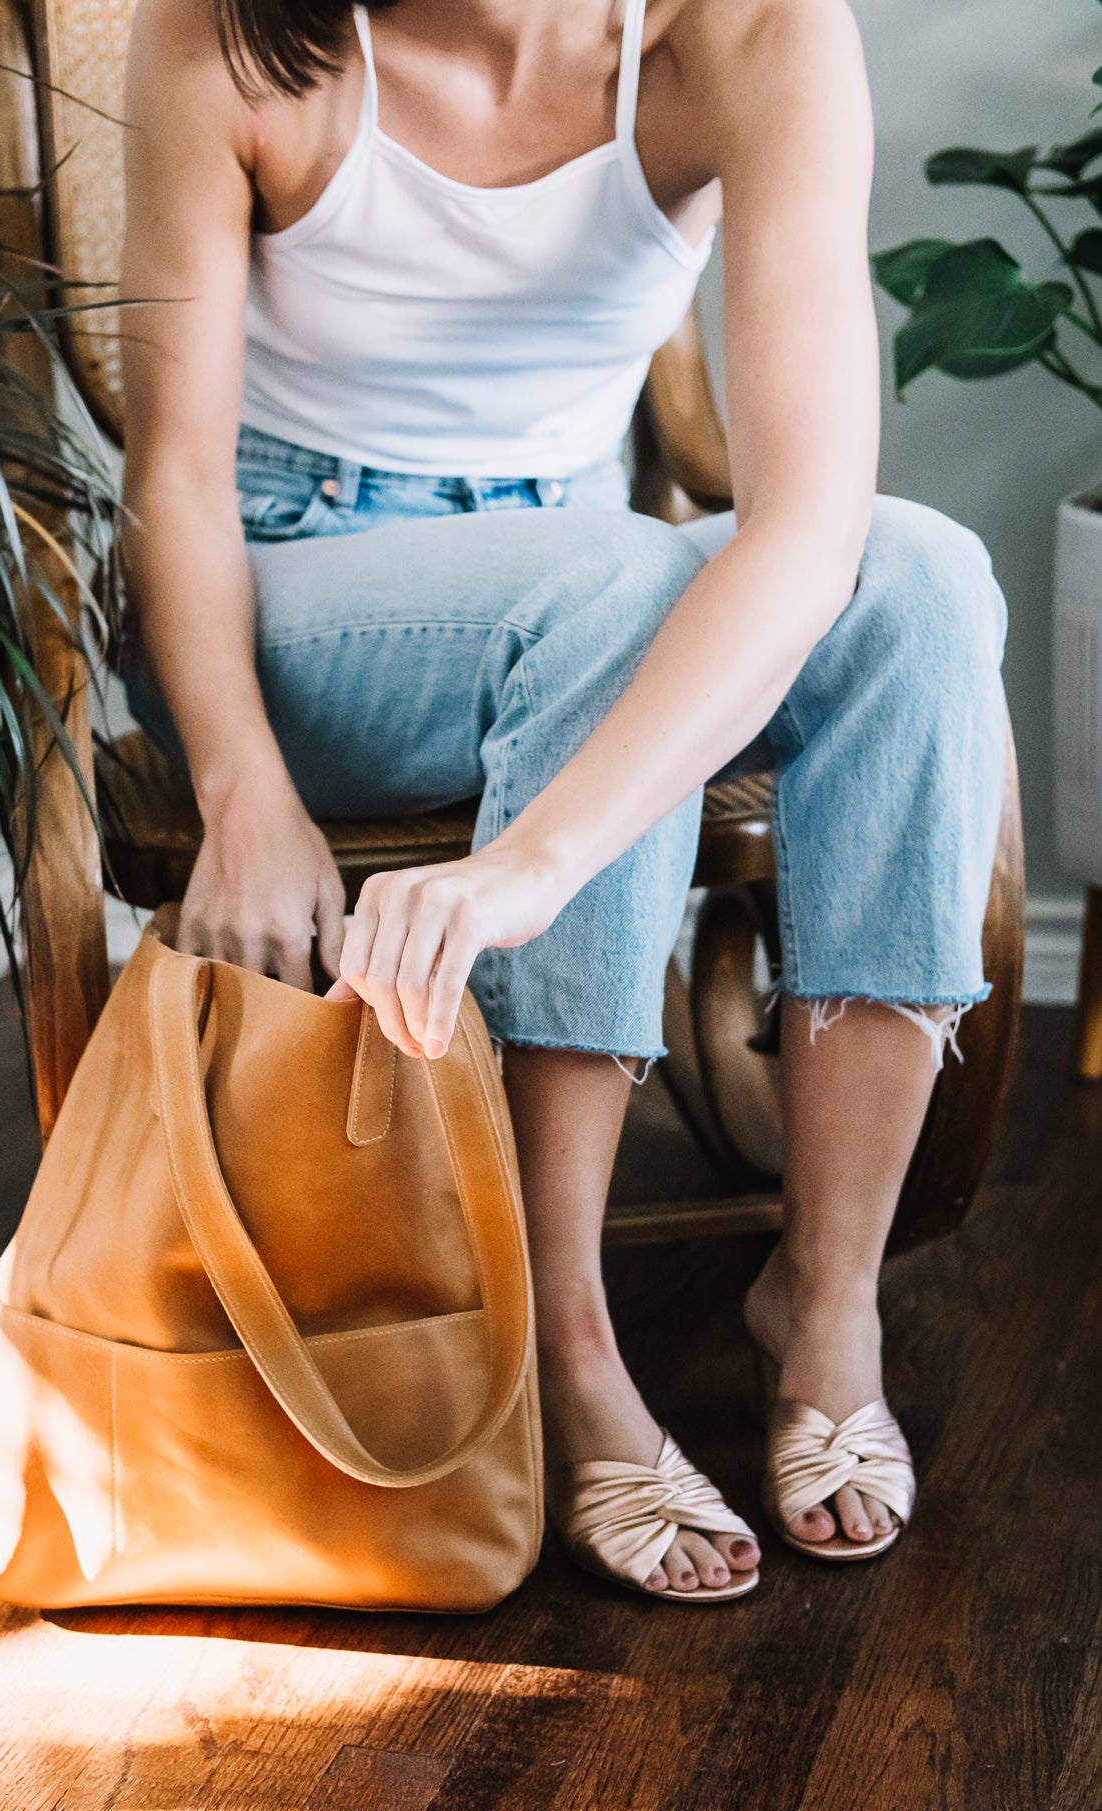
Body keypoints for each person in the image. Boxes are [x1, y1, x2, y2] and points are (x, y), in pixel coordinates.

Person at [118, 0, 1008, 1603]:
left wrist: (537, 861)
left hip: (588, 557)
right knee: (605, 579)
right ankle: (563, 1349)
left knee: (922, 579)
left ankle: (823, 1303)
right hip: (306, 588)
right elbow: (170, 474)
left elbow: (801, 533)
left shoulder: (751, 31)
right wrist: (236, 776)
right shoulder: (236, 37)